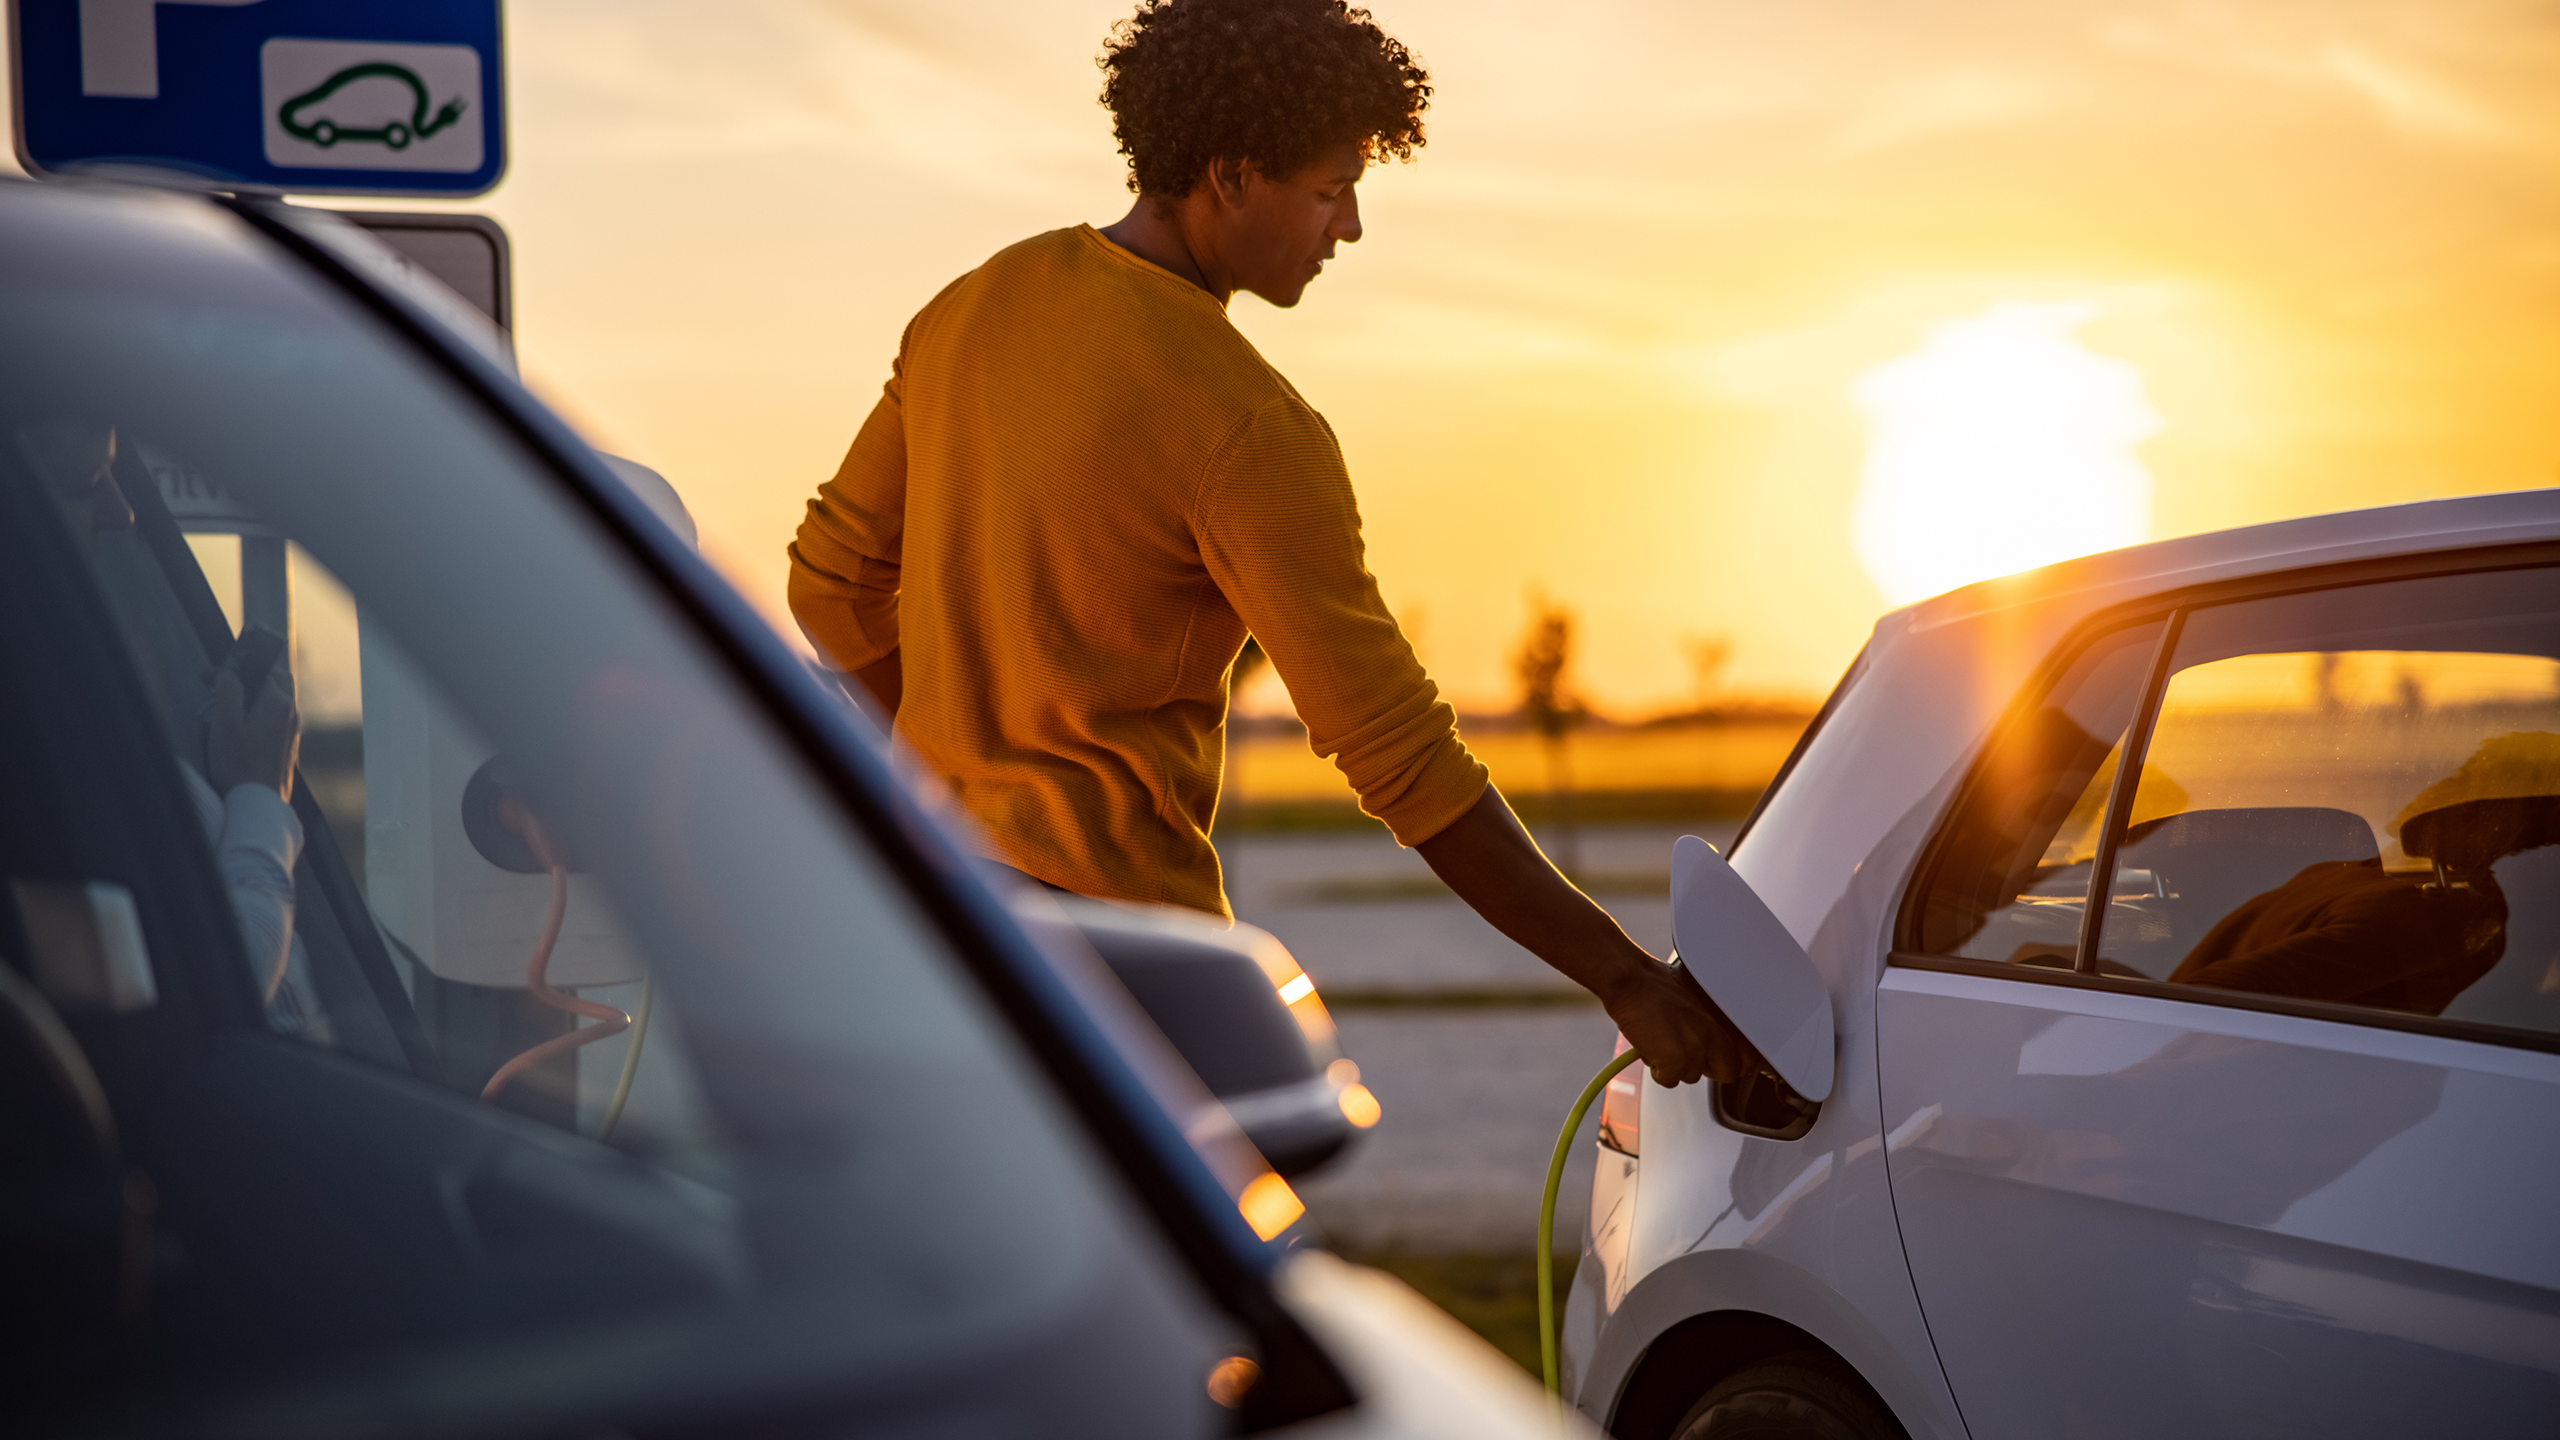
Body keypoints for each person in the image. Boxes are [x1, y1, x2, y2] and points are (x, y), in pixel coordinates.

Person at [788, 0, 1743, 1088]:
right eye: (1331, 191)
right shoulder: (1248, 429)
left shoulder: (972, 305)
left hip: (939, 914)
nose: (1349, 228)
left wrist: (947, 771)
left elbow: (830, 588)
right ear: (1233, 176)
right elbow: (1402, 758)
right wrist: (1622, 977)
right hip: (1129, 966)